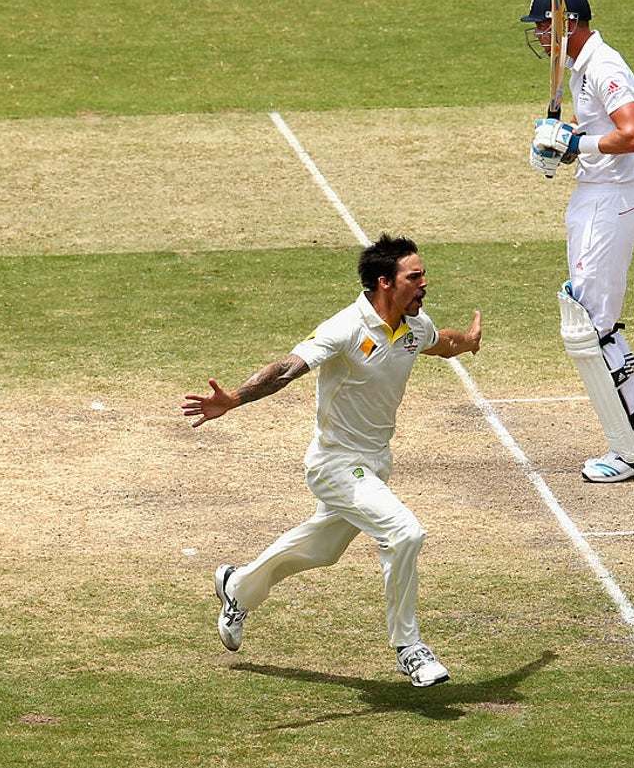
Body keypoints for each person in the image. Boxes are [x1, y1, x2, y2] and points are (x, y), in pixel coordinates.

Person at [182, 234, 482, 688]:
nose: (425, 283)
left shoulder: (413, 327)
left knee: (320, 550)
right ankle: (409, 648)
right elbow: (287, 368)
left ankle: (237, 586)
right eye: (415, 276)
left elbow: (443, 342)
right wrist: (236, 398)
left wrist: (469, 342)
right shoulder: (344, 328)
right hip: (336, 464)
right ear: (385, 282)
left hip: (375, 464)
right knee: (404, 532)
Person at [521, 0, 634, 483]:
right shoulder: (582, 67)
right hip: (592, 200)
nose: (539, 34)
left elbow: (632, 135)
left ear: (569, 25)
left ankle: (632, 450)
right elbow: (596, 137)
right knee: (590, 321)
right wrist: (564, 147)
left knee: (592, 327)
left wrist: (579, 143)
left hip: (610, 205)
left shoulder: (604, 67)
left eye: (544, 25)